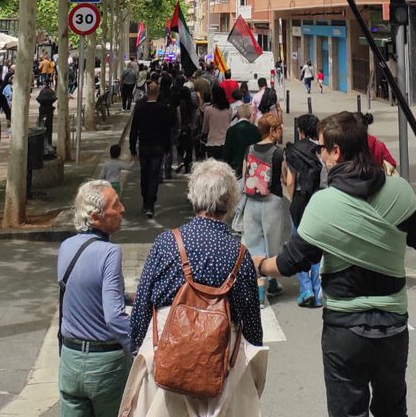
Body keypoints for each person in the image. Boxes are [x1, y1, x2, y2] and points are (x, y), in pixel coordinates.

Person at [253, 111, 416, 417]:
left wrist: (260, 265)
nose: (320, 155)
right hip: (393, 327)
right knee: (393, 410)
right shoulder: (400, 191)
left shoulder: (323, 204)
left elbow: (291, 261)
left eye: (321, 149)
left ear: (336, 152)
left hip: (344, 328)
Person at [124, 159, 266, 417]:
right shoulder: (239, 254)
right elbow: (253, 327)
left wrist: (139, 351)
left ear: (194, 197)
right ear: (230, 201)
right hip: (218, 364)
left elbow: (142, 309)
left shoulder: (166, 243)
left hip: (167, 360)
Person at [57, 180, 130, 417]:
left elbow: (85, 292)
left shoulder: (66, 246)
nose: (122, 209)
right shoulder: (110, 253)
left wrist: (130, 297)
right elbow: (114, 317)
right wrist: (140, 345)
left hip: (70, 360)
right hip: (105, 366)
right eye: (115, 205)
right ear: (96, 217)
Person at [242, 113, 290, 300]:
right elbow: (285, 178)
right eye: (279, 128)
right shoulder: (278, 153)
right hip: (272, 201)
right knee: (272, 243)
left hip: (251, 201)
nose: (281, 131)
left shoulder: (249, 149)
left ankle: (259, 291)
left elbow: (245, 175)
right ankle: (272, 282)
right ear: (272, 130)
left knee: (254, 243)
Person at [282, 113, 323, 307]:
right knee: (318, 245)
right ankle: (318, 289)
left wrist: (292, 200)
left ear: (301, 131)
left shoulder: (293, 150)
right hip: (320, 200)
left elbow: (291, 181)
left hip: (300, 200)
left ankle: (306, 289)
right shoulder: (323, 150)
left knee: (298, 244)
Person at [129, 80, 173, 218]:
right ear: (158, 93)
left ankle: (145, 201)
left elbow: (134, 130)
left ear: (147, 93)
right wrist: (168, 147)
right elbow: (167, 131)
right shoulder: (164, 109)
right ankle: (151, 204)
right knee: (154, 175)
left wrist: (132, 149)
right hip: (158, 146)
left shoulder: (140, 109)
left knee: (145, 174)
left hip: (144, 145)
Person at [224, 102, 260, 177]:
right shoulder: (256, 130)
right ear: (249, 115)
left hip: (235, 167)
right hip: (251, 166)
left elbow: (227, 151)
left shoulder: (231, 130)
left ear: (237, 115)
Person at [201, 83, 231, 160]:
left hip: (212, 142)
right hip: (225, 142)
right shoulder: (229, 109)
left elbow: (205, 128)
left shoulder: (208, 109)